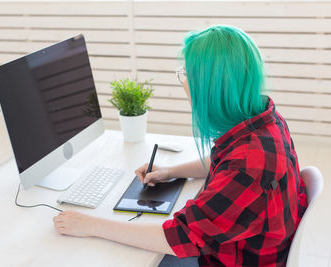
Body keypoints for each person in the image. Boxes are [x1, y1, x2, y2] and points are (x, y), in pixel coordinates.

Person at [53, 25, 308, 267]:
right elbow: (226, 160)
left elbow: (178, 237)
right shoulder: (264, 120)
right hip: (250, 249)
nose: (183, 82)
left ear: (211, 86)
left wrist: (93, 225)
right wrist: (171, 171)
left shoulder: (248, 166)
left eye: (186, 74)